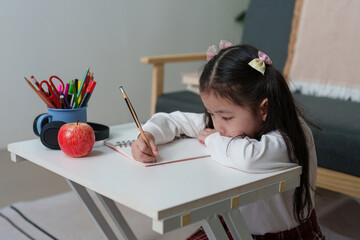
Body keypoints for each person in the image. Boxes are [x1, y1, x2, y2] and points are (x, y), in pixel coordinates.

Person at [131, 41, 325, 239]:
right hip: (233, 226)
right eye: (211, 113)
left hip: (282, 236)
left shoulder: (290, 135)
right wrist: (148, 134)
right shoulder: (225, 124)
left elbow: (249, 157)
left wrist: (212, 140)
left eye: (225, 117)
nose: (218, 126)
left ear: (263, 108)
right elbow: (174, 120)